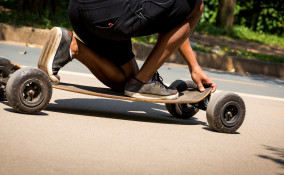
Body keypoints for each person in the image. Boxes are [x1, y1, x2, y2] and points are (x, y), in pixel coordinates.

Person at [38, 0, 216, 100]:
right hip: (111, 14)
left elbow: (174, 21)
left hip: (80, 10)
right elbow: (181, 15)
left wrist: (194, 67)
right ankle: (142, 83)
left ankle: (72, 47)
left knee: (124, 80)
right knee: (196, 6)